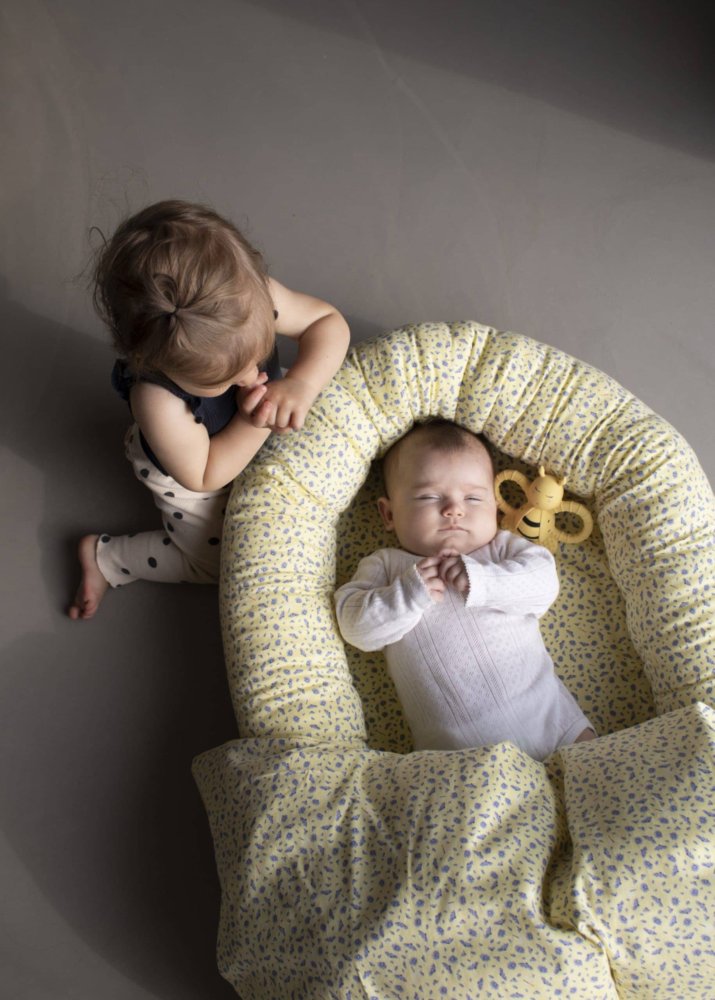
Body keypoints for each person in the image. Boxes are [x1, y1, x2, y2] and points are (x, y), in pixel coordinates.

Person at [69, 199, 349, 620]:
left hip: (253, 424)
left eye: (258, 351)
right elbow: (204, 474)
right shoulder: (156, 400)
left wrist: (301, 385)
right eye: (225, 378)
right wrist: (255, 421)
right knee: (222, 561)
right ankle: (108, 559)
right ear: (154, 362)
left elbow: (326, 322)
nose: (251, 375)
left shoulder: (252, 297)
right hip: (193, 468)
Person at [334, 420, 596, 760]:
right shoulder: (387, 567)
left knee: (598, 782)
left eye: (473, 498)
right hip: (457, 759)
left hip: (554, 725)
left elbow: (544, 584)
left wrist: (484, 581)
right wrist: (408, 594)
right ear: (389, 514)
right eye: (429, 497)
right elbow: (354, 627)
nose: (454, 509)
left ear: (494, 508)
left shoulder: (501, 550)